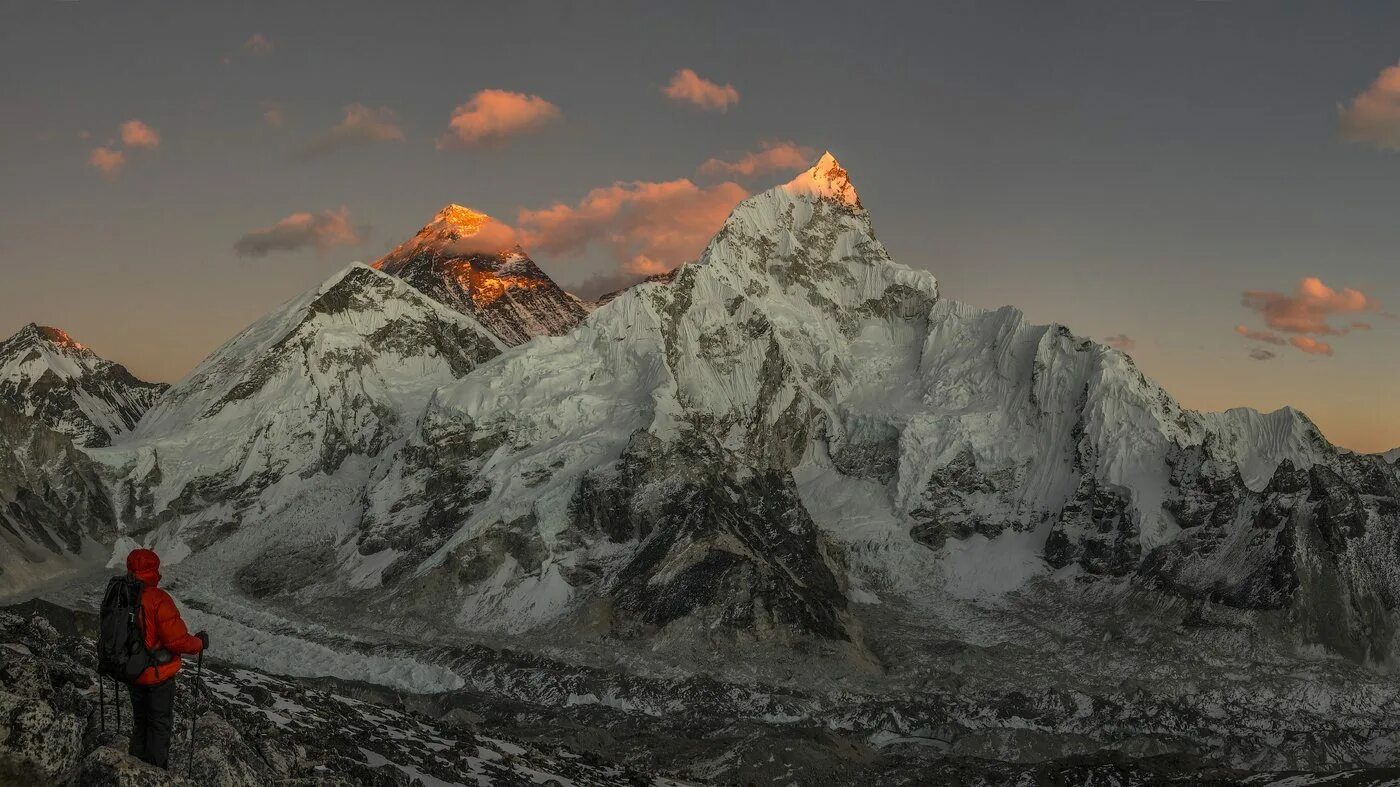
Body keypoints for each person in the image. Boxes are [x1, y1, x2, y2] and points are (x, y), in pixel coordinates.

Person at [123, 548, 208, 769]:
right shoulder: (157, 598)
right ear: (153, 570)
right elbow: (177, 640)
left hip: (132, 670)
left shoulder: (122, 594)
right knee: (159, 724)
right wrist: (200, 644)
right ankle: (154, 773)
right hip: (156, 675)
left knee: (140, 722)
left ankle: (134, 767)